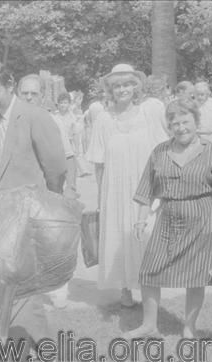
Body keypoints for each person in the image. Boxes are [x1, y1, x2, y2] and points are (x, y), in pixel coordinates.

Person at [0, 59, 74, 362]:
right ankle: (34, 345)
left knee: (19, 287)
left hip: (27, 216)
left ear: (10, 84)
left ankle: (20, 355)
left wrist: (47, 206)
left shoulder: (35, 116)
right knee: (5, 287)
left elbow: (56, 167)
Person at [125, 98, 212, 339]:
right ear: (169, 127)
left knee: (196, 276)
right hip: (168, 219)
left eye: (185, 121)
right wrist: (140, 220)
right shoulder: (160, 151)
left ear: (196, 122)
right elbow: (146, 188)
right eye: (174, 123)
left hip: (204, 219)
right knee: (149, 271)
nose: (180, 127)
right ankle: (149, 326)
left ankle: (189, 328)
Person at [85, 63, 169, 307]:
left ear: (135, 86)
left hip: (145, 186)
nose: (122, 89)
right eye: (117, 85)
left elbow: (164, 148)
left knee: (145, 234)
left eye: (127, 84)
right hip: (116, 190)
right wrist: (102, 196)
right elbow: (98, 163)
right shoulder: (103, 119)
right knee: (119, 233)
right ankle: (124, 288)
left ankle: (148, 288)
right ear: (110, 90)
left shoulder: (150, 112)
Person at [16, 74, 76, 190]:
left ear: (42, 97)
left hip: (50, 189)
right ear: (18, 95)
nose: (29, 97)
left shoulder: (54, 121)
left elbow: (69, 157)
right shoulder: (12, 123)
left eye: (34, 94)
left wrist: (70, 187)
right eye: (24, 93)